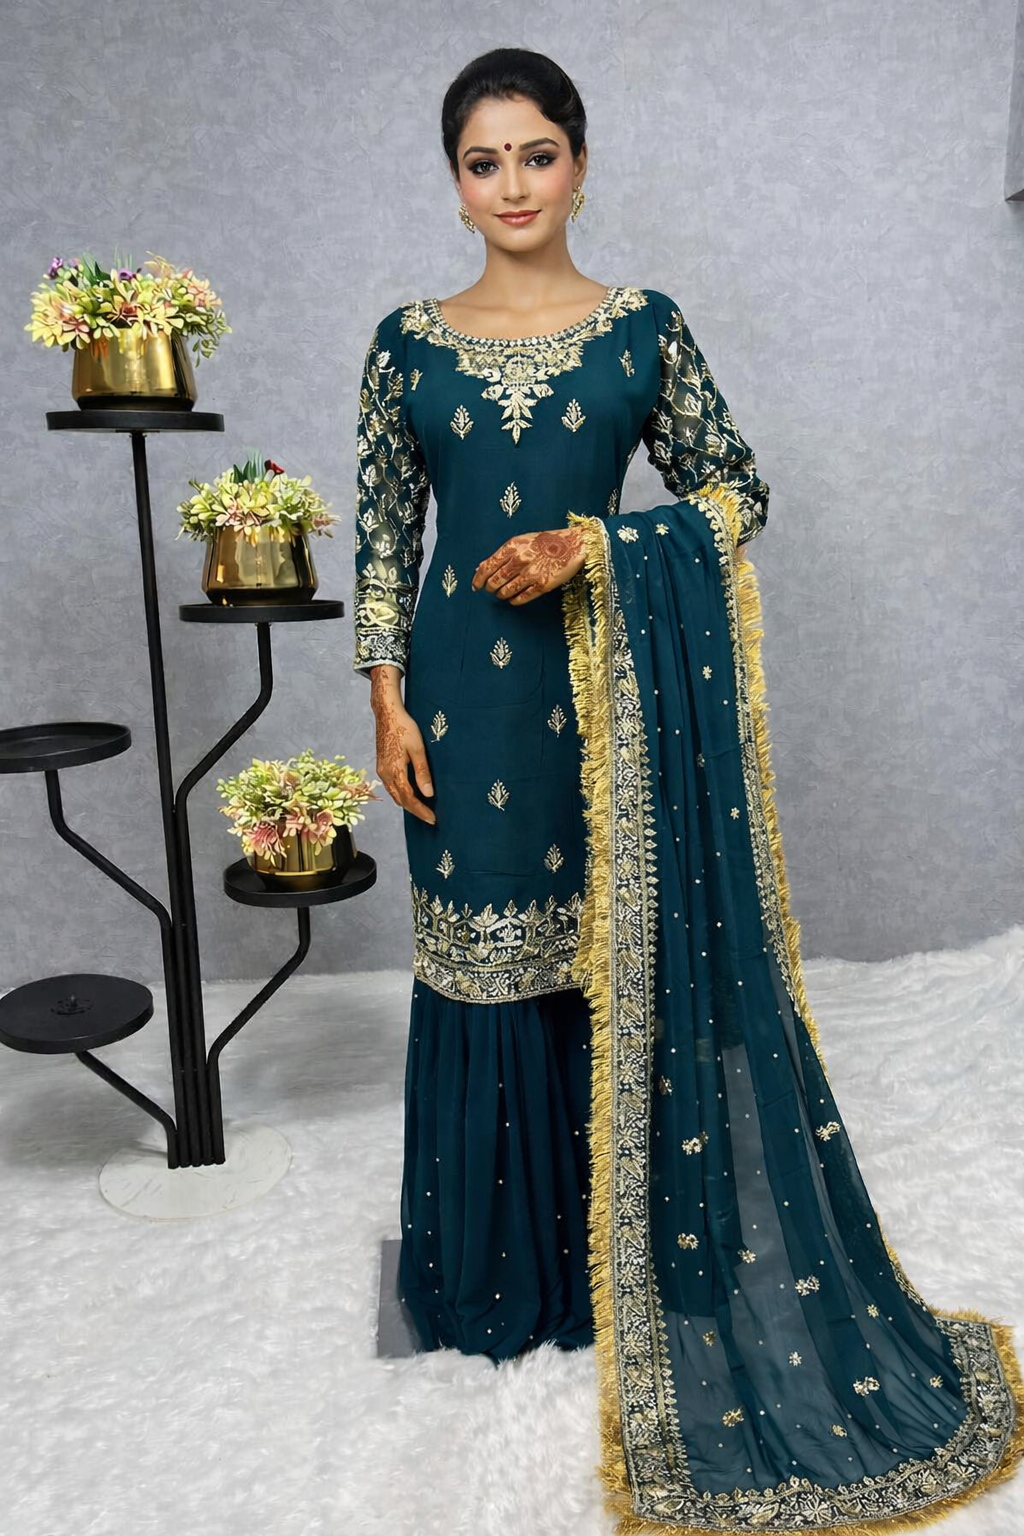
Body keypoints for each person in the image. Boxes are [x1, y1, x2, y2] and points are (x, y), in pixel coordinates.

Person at [352, 45, 1023, 1536]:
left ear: (581, 165)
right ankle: (496, 1275)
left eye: (537, 155)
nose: (513, 185)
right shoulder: (406, 344)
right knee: (483, 968)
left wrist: (601, 546)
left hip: (607, 705)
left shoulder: (642, 329)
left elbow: (736, 490)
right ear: (453, 183)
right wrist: (385, 699)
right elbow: (384, 534)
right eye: (483, 161)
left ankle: (633, 1260)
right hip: (460, 701)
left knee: (613, 961)